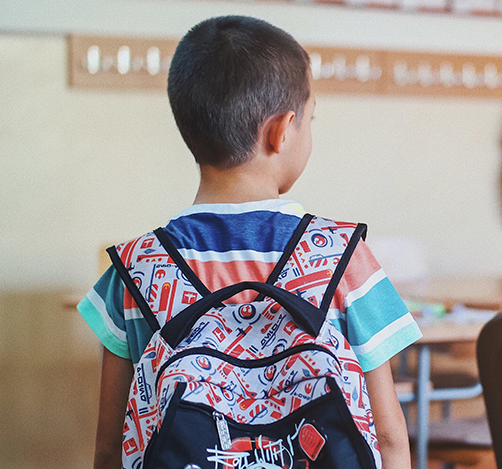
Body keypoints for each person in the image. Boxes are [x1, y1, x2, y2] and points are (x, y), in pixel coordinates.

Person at [77, 15, 421, 469]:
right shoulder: (342, 257)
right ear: (282, 131)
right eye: (310, 120)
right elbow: (389, 438)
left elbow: (109, 447)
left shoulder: (134, 269)